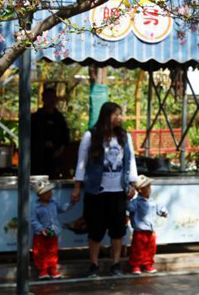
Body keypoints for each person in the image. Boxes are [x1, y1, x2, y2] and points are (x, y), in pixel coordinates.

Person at [72, 102, 138, 278]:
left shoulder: (124, 137)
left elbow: (131, 161)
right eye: (116, 114)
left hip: (118, 191)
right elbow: (81, 163)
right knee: (95, 230)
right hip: (96, 191)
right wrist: (77, 187)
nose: (120, 118)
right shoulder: (91, 136)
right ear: (107, 116)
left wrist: (133, 183)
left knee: (118, 230)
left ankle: (116, 264)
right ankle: (93, 265)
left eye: (120, 114)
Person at [31, 179, 74, 280]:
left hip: (53, 233)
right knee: (40, 252)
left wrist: (71, 203)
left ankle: (52, 269)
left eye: (50, 191)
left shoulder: (53, 203)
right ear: (40, 195)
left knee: (53, 251)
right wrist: (41, 229)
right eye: (46, 192)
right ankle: (43, 271)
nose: (49, 194)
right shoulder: (36, 207)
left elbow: (62, 208)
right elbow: (33, 220)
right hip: (40, 235)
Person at [127, 175, 168, 274]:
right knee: (138, 249)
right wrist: (128, 199)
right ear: (140, 190)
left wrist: (164, 212)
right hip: (140, 231)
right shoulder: (136, 202)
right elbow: (130, 208)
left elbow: (160, 209)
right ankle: (136, 265)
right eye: (148, 187)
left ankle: (148, 264)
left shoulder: (153, 201)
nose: (150, 189)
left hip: (151, 230)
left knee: (150, 249)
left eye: (150, 186)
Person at [31, 86, 70, 178]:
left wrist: (59, 150)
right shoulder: (36, 117)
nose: (51, 101)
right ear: (43, 99)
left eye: (53, 98)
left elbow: (66, 138)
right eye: (48, 98)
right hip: (38, 159)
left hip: (55, 159)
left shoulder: (59, 118)